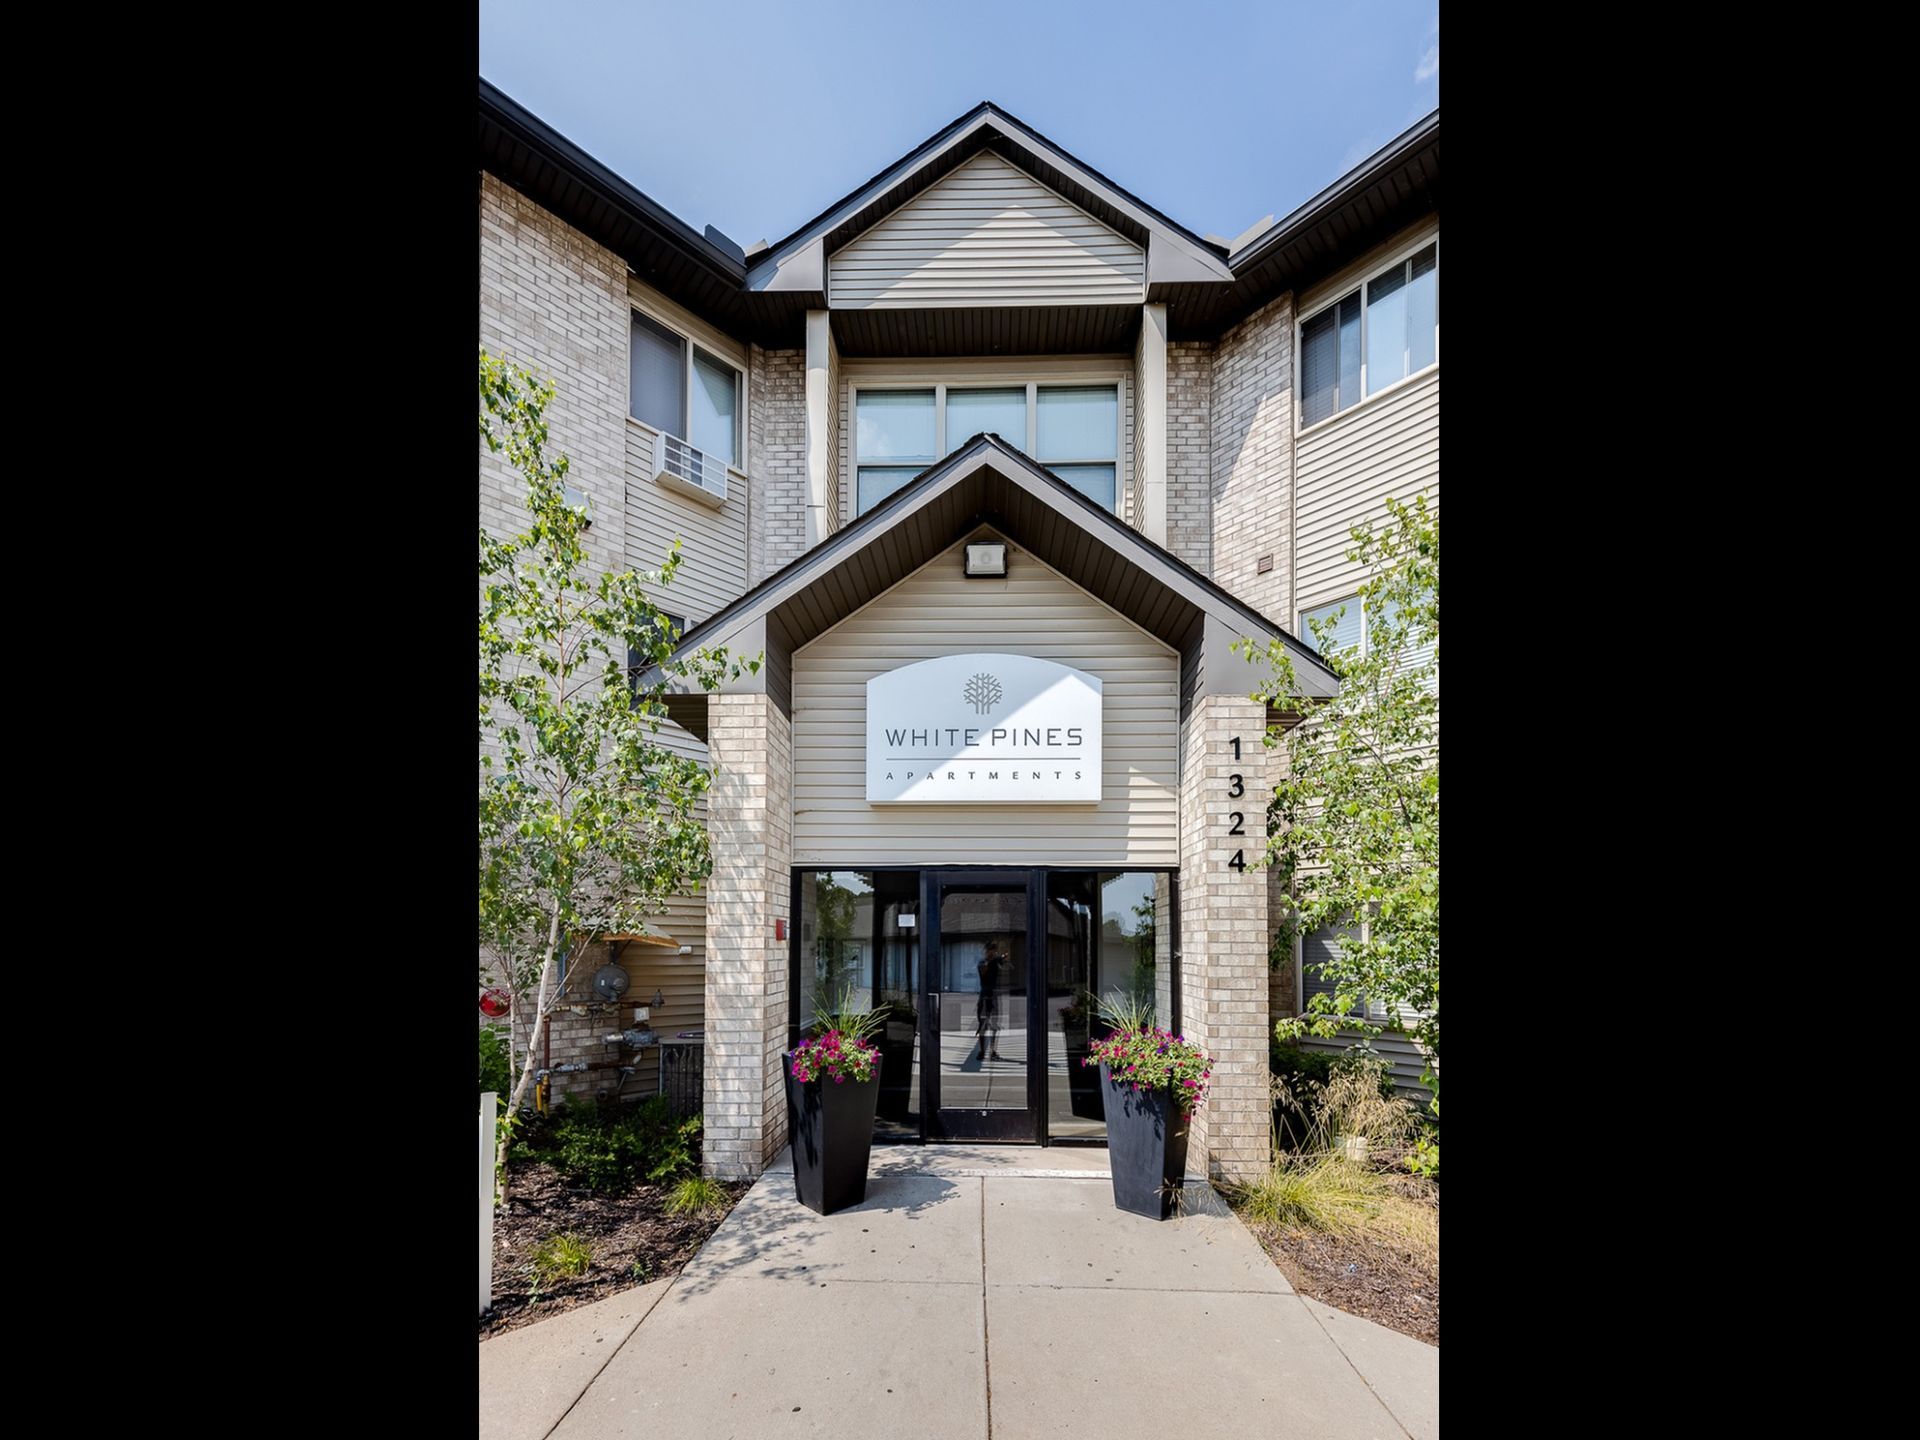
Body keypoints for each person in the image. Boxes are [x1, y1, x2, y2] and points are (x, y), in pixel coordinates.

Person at [976, 942, 1007, 1062]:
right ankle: (982, 1051)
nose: (992, 953)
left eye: (993, 951)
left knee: (994, 1025)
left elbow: (1006, 964)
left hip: (993, 995)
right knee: (982, 1024)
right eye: (989, 950)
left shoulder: (996, 962)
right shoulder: (983, 963)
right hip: (984, 996)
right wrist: (991, 960)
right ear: (986, 951)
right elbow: (983, 971)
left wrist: (1002, 958)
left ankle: (992, 1050)